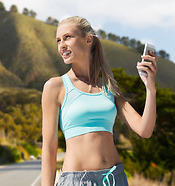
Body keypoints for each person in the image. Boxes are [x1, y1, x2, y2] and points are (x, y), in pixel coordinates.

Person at [41, 16, 158, 186]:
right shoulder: (55, 87)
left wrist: (150, 89)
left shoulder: (109, 88)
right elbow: (49, 150)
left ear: (88, 39)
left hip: (114, 179)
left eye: (67, 37)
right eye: (58, 40)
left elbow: (144, 130)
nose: (61, 45)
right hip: (76, 181)